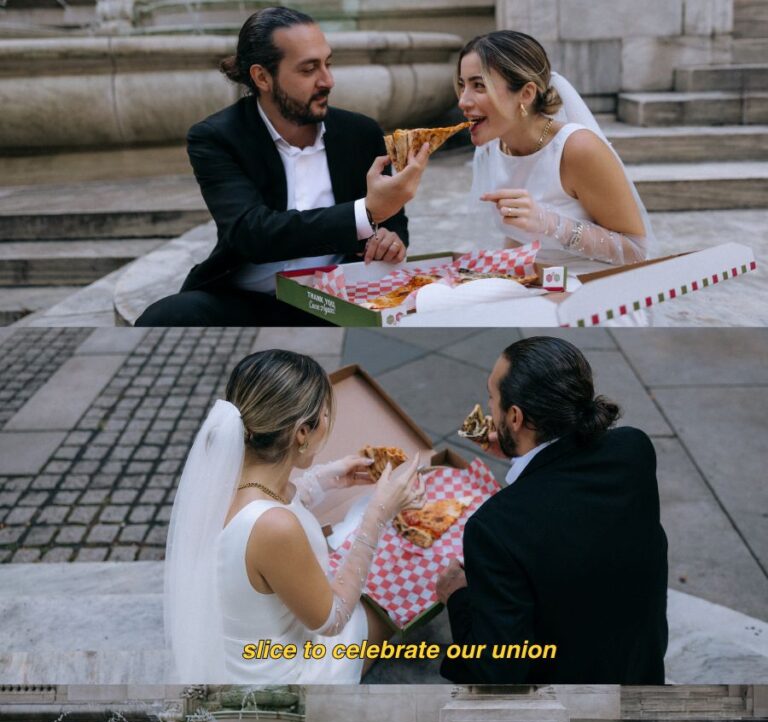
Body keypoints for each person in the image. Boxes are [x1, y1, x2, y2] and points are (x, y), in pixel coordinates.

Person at [136, 7, 429, 327]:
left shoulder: (360, 133)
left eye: (327, 64)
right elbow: (251, 233)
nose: (327, 81)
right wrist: (364, 213)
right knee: (165, 315)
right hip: (246, 299)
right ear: (262, 77)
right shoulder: (217, 137)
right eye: (308, 70)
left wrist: (390, 238)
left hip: (337, 296)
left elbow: (392, 221)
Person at [164, 349, 423, 685]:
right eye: (326, 416)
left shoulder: (221, 482)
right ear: (302, 433)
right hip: (279, 679)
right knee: (376, 612)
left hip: (240, 649)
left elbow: (276, 499)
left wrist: (327, 477)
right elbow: (331, 620)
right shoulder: (275, 527)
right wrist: (377, 515)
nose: (328, 424)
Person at [436, 335, 668, 685]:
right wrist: (523, 454)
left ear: (514, 416)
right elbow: (564, 512)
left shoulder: (494, 529)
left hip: (568, 706)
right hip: (640, 671)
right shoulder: (634, 450)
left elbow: (498, 670)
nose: (489, 407)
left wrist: (457, 596)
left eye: (492, 397)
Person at [456, 31, 655, 270]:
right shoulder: (492, 147)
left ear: (526, 93)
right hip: (532, 284)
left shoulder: (578, 148)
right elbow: (520, 235)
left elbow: (635, 251)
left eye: (479, 85)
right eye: (462, 85)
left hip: (591, 290)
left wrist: (549, 222)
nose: (462, 101)